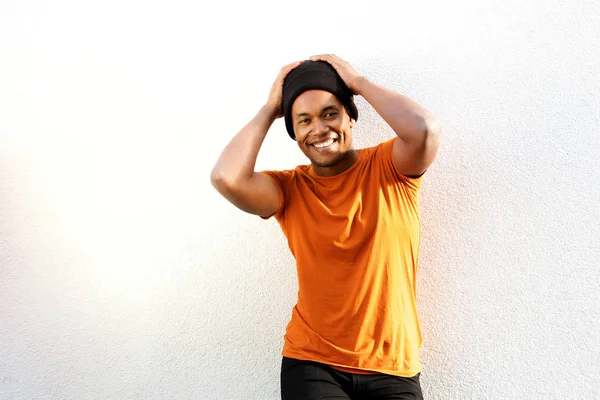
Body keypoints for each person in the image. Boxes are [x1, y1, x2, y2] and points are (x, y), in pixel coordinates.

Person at [210, 54, 441, 400]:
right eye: (303, 121)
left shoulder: (391, 167)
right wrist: (271, 108)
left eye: (330, 113)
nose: (318, 129)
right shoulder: (288, 190)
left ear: (350, 116)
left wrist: (358, 82)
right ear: (294, 133)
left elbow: (425, 129)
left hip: (392, 364)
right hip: (313, 361)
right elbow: (226, 177)